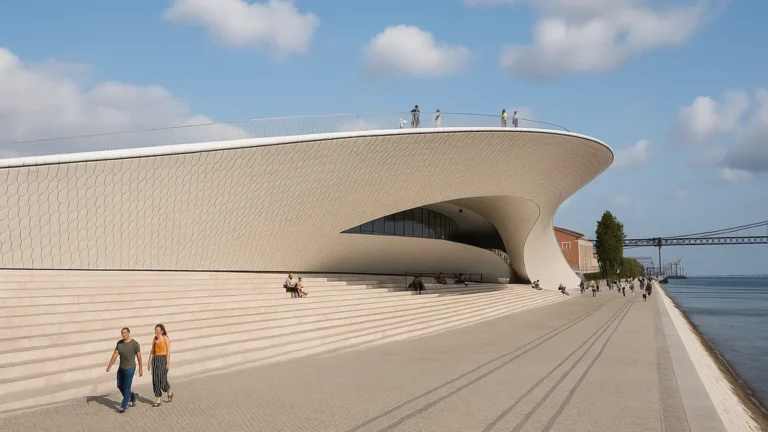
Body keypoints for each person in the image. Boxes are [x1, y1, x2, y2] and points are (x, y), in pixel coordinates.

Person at [106, 327, 143, 413]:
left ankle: (124, 406)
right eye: (122, 333)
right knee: (119, 385)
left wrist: (141, 368)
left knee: (126, 387)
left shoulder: (134, 344)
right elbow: (115, 354)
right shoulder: (119, 343)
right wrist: (109, 366)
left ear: (129, 333)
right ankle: (133, 396)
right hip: (121, 367)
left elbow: (139, 357)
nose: (123, 334)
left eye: (124, 333)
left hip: (130, 368)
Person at [147, 324, 174, 407]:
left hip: (163, 359)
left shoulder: (165, 338)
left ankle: (168, 389)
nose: (156, 332)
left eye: (158, 330)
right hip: (155, 359)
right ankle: (158, 399)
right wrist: (149, 362)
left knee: (162, 378)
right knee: (155, 379)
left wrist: (168, 363)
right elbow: (152, 351)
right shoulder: (154, 339)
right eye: (155, 330)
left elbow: (168, 351)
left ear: (162, 331)